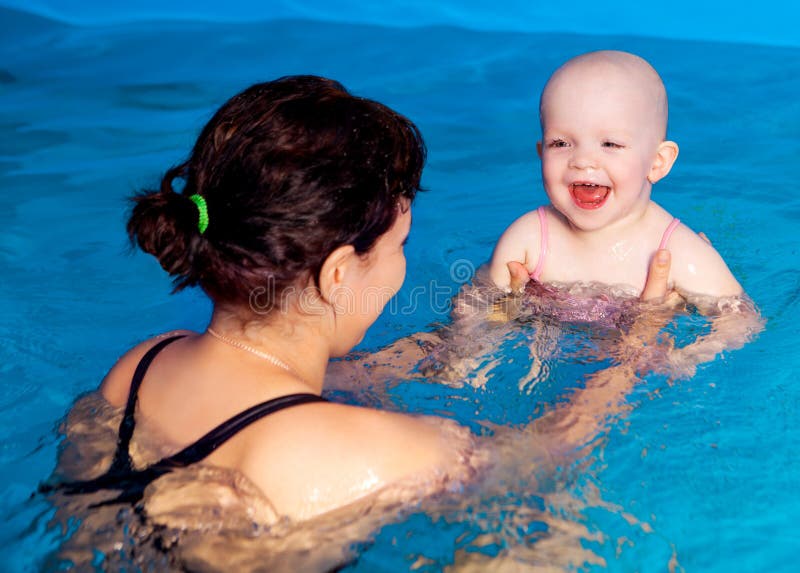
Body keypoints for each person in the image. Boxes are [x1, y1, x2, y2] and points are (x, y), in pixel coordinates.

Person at [44, 76, 678, 570]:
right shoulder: (395, 452)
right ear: (339, 272)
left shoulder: (141, 366)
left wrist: (444, 344)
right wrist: (631, 352)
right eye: (399, 247)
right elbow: (545, 455)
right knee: (558, 538)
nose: (403, 267)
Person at [489, 50, 742, 299]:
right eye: (560, 144)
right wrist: (511, 308)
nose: (582, 160)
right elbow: (472, 321)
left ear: (657, 162)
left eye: (610, 144)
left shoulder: (678, 254)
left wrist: (662, 334)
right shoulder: (529, 239)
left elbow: (739, 324)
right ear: (541, 153)